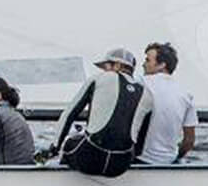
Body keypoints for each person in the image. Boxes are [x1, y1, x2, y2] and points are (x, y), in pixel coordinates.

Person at [48, 46, 153, 178]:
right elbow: (139, 147)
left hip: (90, 158)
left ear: (117, 65)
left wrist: (54, 148)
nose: (104, 70)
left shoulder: (99, 78)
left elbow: (69, 114)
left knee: (69, 143)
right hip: (120, 165)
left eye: (106, 66)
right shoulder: (147, 94)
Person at [139, 41, 197, 165]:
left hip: (141, 160)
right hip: (169, 161)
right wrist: (175, 157)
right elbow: (189, 141)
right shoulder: (186, 94)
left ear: (161, 65)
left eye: (147, 60)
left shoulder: (141, 82)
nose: (143, 64)